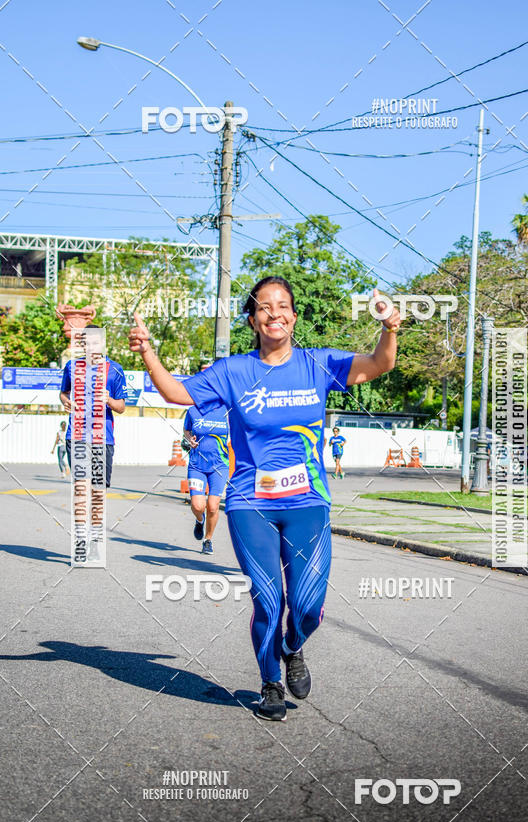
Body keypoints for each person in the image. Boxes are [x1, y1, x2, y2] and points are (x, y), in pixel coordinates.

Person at [129, 276, 401, 722]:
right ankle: (271, 682)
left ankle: (293, 646)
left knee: (309, 606)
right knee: (268, 598)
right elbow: (178, 393)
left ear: (293, 316)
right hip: (248, 502)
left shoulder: (318, 365)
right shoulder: (233, 371)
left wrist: (390, 327)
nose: (275, 313)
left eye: (283, 306)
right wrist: (148, 353)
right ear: (253, 319)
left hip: (308, 502)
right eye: (264, 307)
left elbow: (379, 364)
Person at [60, 324, 126, 557]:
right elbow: (64, 392)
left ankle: (94, 535)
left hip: (103, 439)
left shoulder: (115, 370)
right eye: (87, 342)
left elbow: (122, 407)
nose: (92, 346)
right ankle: (80, 539)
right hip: (76, 435)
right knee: (81, 488)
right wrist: (65, 400)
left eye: (96, 342)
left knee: (97, 492)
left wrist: (109, 400)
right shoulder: (71, 367)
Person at [183, 401, 229, 555]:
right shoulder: (193, 410)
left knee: (213, 506)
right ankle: (199, 520)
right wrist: (190, 440)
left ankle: (207, 540)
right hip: (197, 465)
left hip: (220, 466)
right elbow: (186, 430)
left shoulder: (227, 410)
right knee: (197, 506)